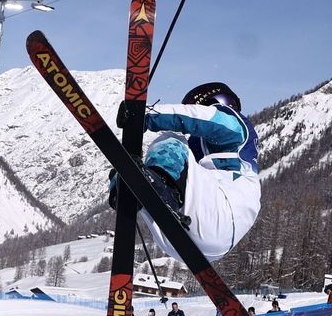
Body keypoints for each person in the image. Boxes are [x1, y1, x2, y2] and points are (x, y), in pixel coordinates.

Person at [108, 82, 261, 262]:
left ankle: (146, 188)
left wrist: (144, 116)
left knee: (171, 140)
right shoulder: (208, 166)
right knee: (148, 173)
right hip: (198, 243)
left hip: (220, 214)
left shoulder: (237, 126)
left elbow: (204, 118)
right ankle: (133, 187)